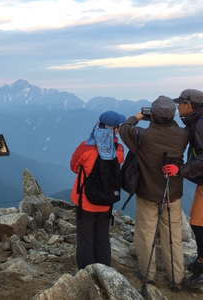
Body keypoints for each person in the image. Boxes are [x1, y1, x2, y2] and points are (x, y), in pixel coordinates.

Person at [119, 96, 188, 289]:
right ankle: (176, 277)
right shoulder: (183, 135)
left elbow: (124, 128)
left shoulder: (142, 136)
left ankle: (147, 274)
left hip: (147, 192)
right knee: (173, 236)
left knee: (145, 233)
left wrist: (138, 116)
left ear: (154, 114)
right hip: (172, 193)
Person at [70, 110, 126, 269]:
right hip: (107, 201)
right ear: (114, 129)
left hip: (85, 200)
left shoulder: (86, 148)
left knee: (85, 238)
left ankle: (87, 272)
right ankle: (104, 271)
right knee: (102, 236)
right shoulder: (119, 150)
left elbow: (74, 166)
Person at [172, 89, 203, 288]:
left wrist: (182, 170)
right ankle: (201, 261)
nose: (178, 106)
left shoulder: (200, 124)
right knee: (198, 221)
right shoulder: (196, 121)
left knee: (200, 223)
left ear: (190, 105)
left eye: (180, 103)